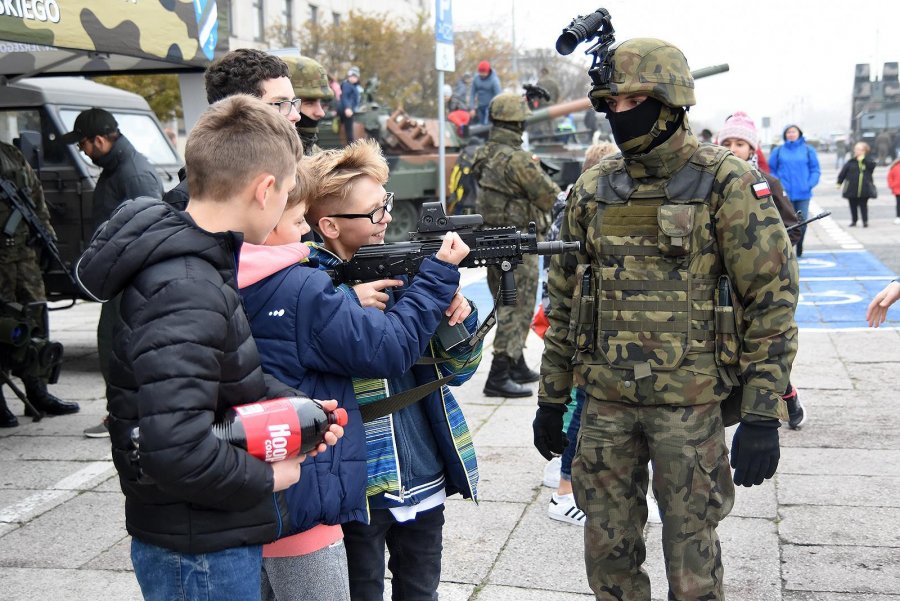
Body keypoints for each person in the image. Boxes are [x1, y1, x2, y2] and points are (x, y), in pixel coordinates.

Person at [533, 38, 799, 600]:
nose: (618, 117)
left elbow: (771, 301)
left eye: (632, 103)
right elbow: (564, 304)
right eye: (611, 105)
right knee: (608, 560)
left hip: (689, 408)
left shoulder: (726, 182)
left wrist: (762, 414)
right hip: (604, 407)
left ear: (670, 102)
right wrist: (552, 400)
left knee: (692, 566)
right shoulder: (592, 188)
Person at [73, 94, 343, 601]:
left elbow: (212, 377)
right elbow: (174, 450)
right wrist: (270, 476)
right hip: (198, 552)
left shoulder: (196, 263)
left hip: (202, 536)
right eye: (287, 193)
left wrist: (294, 406)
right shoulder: (186, 286)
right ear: (265, 190)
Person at [236, 139, 479, 601]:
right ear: (327, 225)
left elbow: (462, 370)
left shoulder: (412, 273)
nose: (386, 216)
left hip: (422, 470)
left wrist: (456, 320)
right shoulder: (310, 286)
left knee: (421, 589)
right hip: (360, 484)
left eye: (385, 203)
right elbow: (363, 349)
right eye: (373, 212)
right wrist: (350, 302)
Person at [59, 107, 164, 438]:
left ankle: (125, 414)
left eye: (83, 145)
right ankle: (125, 412)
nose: (82, 151)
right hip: (119, 275)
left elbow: (149, 230)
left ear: (100, 140)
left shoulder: (133, 173)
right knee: (115, 344)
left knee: (118, 345)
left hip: (130, 278)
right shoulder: (116, 167)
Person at [717, 112, 806, 429]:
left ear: (751, 148)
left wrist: (770, 250)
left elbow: (793, 229)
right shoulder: (709, 185)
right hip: (722, 286)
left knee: (766, 346)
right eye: (726, 142)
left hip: (758, 284)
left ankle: (787, 398)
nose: (733, 148)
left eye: (739, 143)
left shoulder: (766, 183)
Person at [472, 92, 561, 398]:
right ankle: (498, 374)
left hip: (490, 239)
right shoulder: (519, 160)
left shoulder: (483, 154)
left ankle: (516, 363)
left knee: (504, 301)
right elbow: (549, 195)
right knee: (517, 305)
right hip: (518, 242)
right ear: (519, 123)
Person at [0, 142, 80, 427]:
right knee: (3, 327)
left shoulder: (11, 153)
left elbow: (35, 194)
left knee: (35, 321)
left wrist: (46, 234)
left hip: (25, 257)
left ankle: (38, 391)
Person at [769, 124, 821, 255]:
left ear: (799, 134)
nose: (791, 134)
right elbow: (771, 170)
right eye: (788, 132)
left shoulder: (808, 150)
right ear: (785, 135)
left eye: (794, 132)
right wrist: (778, 184)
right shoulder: (779, 151)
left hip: (803, 193)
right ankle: (788, 248)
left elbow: (815, 170)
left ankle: (800, 245)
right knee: (787, 223)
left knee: (802, 222)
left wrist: (809, 184)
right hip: (784, 194)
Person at [284, 55, 334, 157]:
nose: (321, 113)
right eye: (310, 103)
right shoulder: (271, 160)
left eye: (320, 103)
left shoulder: (311, 151)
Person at [838, 142, 877, 228]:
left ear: (864, 151)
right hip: (851, 188)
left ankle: (865, 221)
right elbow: (843, 173)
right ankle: (854, 220)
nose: (856, 151)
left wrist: (863, 160)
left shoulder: (868, 161)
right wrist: (839, 182)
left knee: (863, 206)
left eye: (859, 149)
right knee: (852, 205)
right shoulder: (851, 162)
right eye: (856, 149)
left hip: (864, 188)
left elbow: (872, 167)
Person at [470, 60, 501, 126]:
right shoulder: (476, 78)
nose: (482, 74)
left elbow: (498, 97)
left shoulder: (494, 81)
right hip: (480, 106)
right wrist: (472, 108)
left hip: (490, 108)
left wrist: (495, 110)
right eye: (480, 72)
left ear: (488, 71)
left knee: (487, 126)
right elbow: (472, 93)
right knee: (480, 126)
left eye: (484, 73)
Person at [338, 66, 361, 144]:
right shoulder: (347, 85)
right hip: (346, 110)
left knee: (348, 130)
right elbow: (345, 96)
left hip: (349, 109)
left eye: (355, 76)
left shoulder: (353, 86)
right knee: (349, 131)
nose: (353, 78)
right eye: (351, 76)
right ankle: (351, 147)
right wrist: (348, 108)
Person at [889, 157, 900, 225]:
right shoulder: (895, 167)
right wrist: (892, 185)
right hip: (897, 190)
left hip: (897, 189)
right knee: (898, 204)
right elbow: (890, 177)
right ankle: (898, 216)